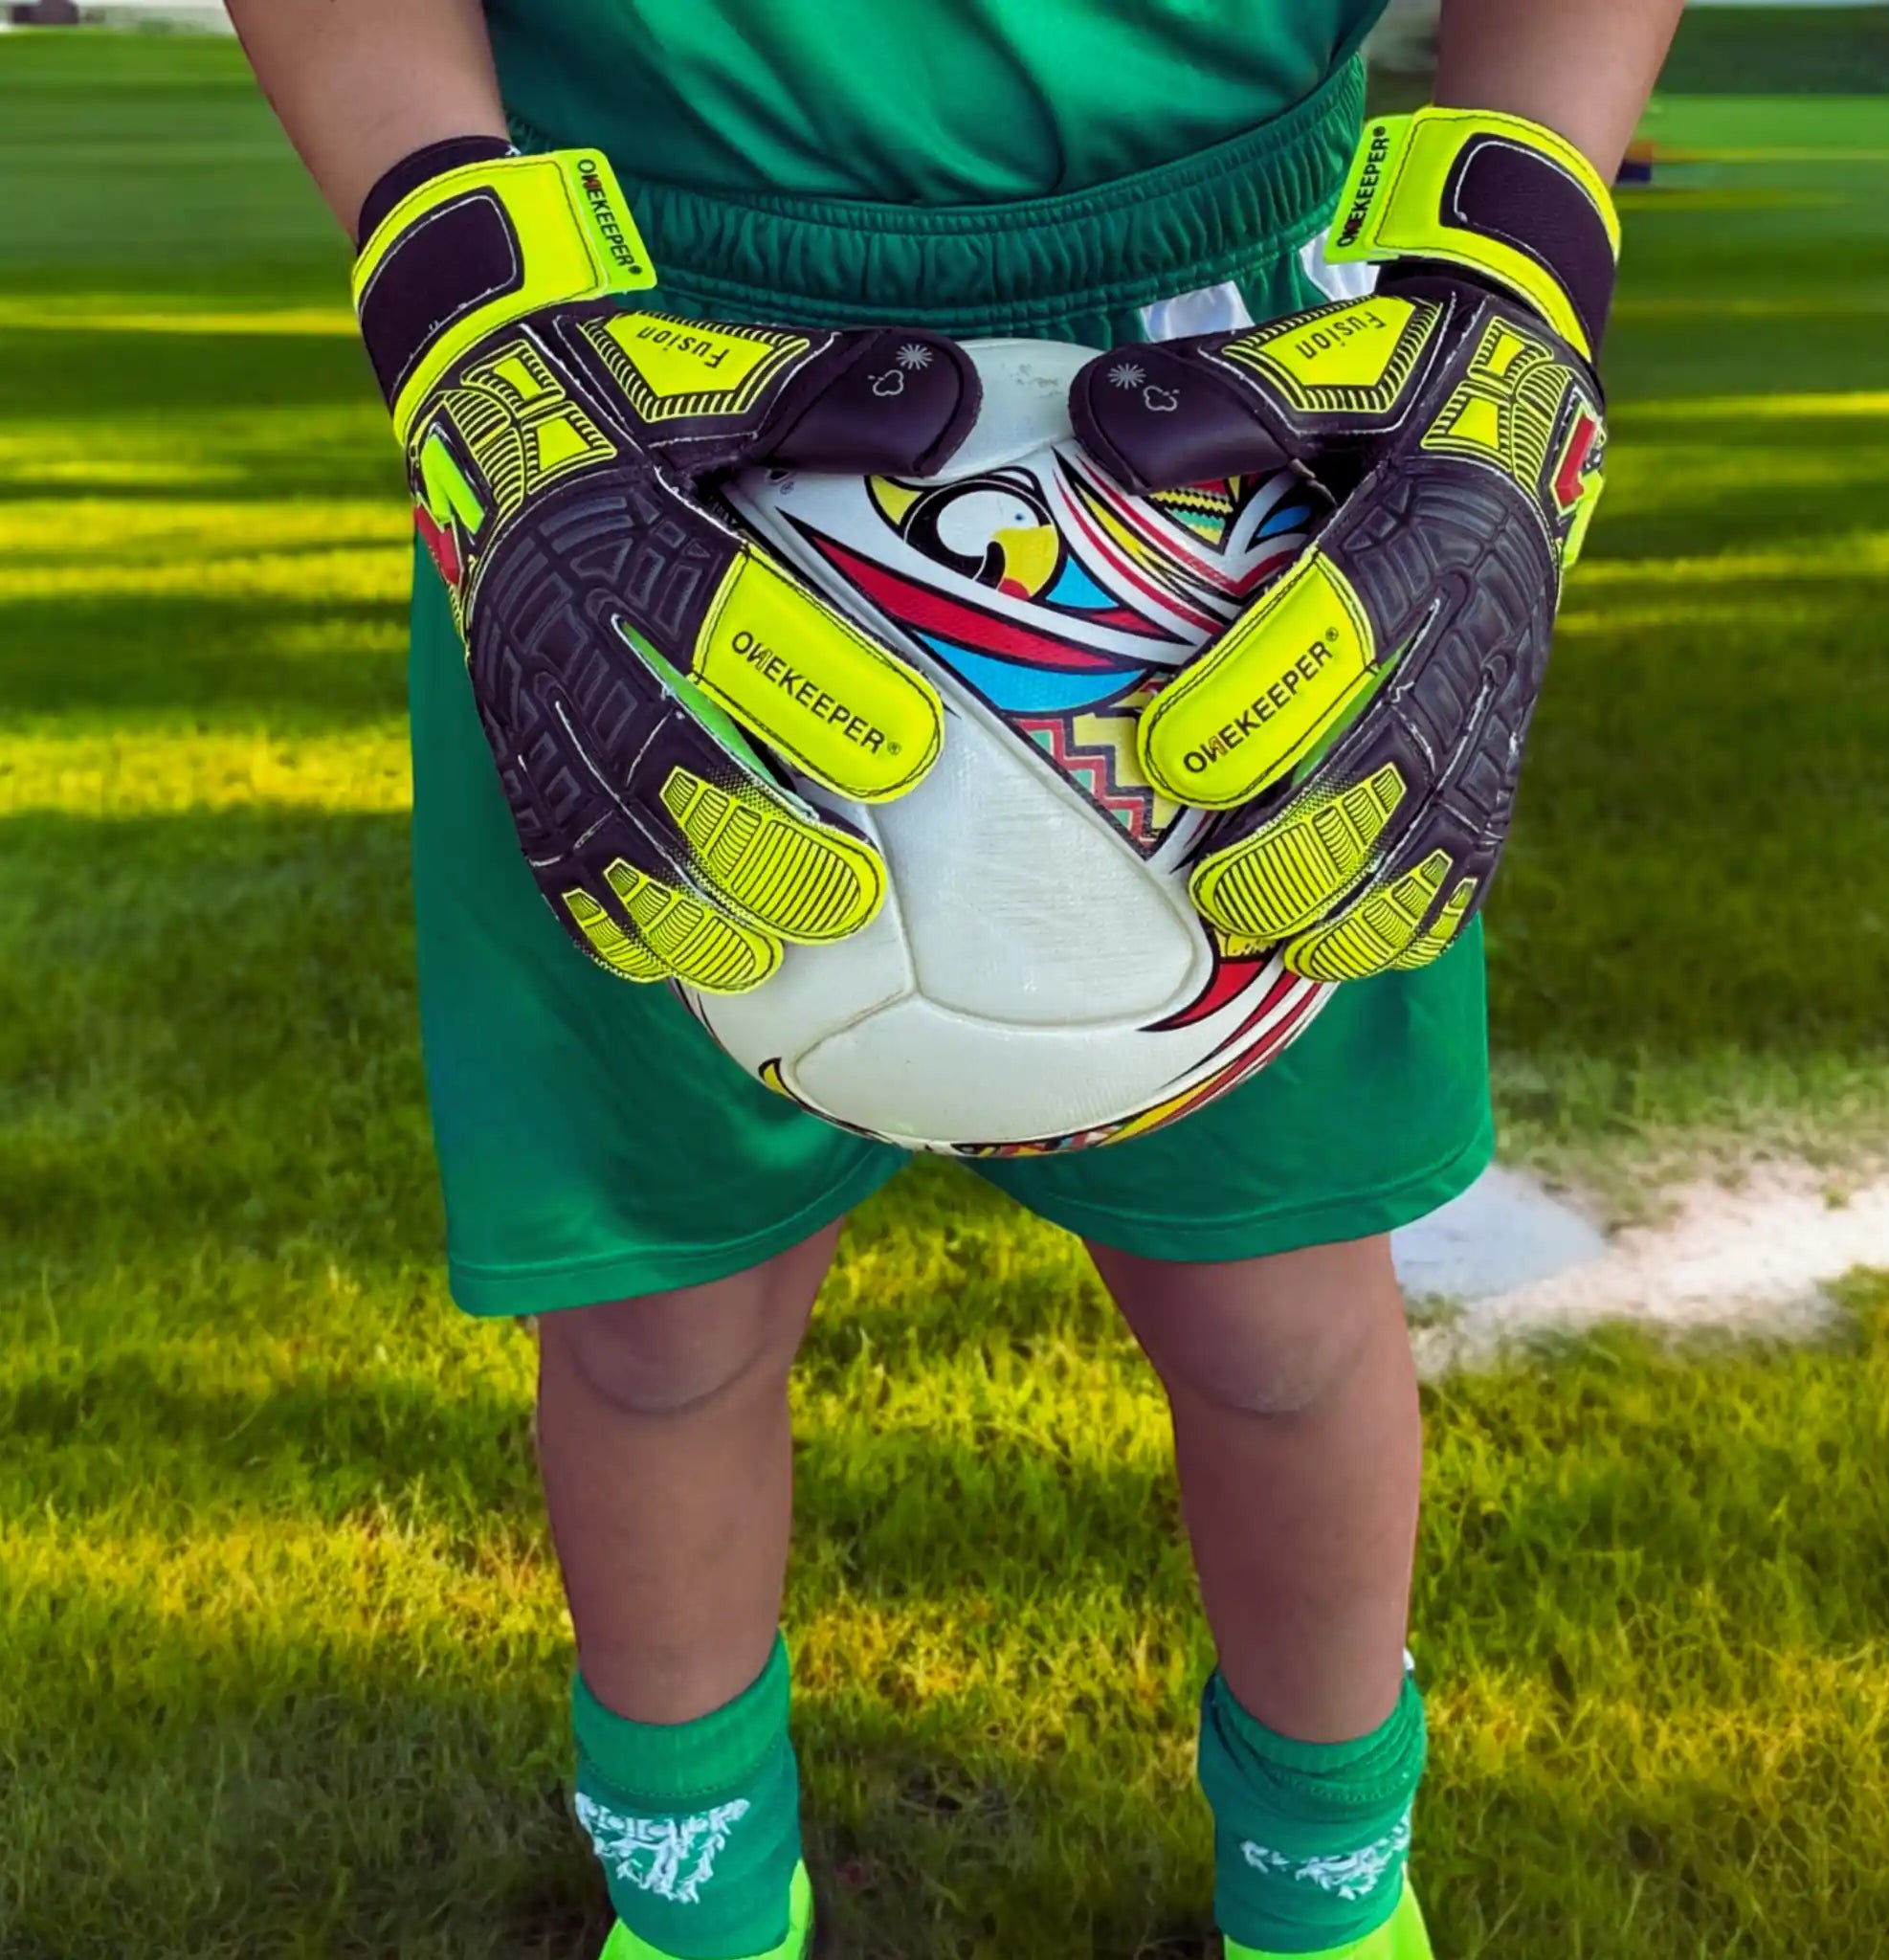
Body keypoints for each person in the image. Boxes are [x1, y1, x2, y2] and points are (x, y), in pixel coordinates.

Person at [224, 2, 1683, 1954]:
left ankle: (1327, 1896)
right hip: (619, 396)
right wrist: (456, 297)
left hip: (1253, 401)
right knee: (662, 1320)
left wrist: (1516, 264)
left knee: (1282, 1310)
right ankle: (699, 1908)